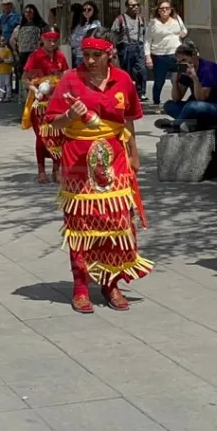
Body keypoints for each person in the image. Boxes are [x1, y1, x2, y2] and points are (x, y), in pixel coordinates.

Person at [45, 37, 150, 313]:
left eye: (96, 55)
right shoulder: (70, 79)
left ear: (110, 53)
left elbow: (127, 119)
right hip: (78, 158)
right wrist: (70, 114)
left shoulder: (124, 80)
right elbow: (53, 120)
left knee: (116, 221)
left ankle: (110, 282)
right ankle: (80, 288)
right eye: (86, 54)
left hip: (114, 156)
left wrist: (134, 154)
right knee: (81, 223)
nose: (90, 61)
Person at [20, 30, 69, 184]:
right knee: (42, 137)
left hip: (57, 101)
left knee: (59, 135)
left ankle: (56, 170)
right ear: (42, 39)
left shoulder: (60, 56)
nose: (52, 43)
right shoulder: (35, 56)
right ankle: (41, 171)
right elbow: (25, 79)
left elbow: (65, 74)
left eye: (55, 40)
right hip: (40, 103)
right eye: (49, 40)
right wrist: (35, 90)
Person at [156, 41, 217, 132]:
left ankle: (176, 124)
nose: (182, 64)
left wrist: (195, 78)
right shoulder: (187, 69)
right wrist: (175, 80)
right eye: (179, 62)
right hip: (199, 109)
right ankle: (189, 124)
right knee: (169, 105)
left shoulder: (208, 68)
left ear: (194, 55)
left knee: (192, 106)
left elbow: (201, 98)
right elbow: (177, 98)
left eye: (184, 60)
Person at [144, 0, 187, 106]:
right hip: (159, 57)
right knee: (159, 81)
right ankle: (156, 102)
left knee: (179, 80)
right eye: (162, 9)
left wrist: (182, 34)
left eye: (167, 8)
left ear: (170, 9)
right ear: (158, 11)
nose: (164, 11)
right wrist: (148, 57)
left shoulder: (177, 18)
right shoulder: (153, 22)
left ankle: (178, 101)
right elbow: (147, 40)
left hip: (177, 56)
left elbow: (185, 30)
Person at [110, 0, 147, 98]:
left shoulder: (141, 19)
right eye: (132, 5)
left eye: (137, 5)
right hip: (125, 48)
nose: (135, 7)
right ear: (127, 6)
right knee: (126, 71)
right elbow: (113, 34)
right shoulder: (120, 19)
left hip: (139, 47)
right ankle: (127, 92)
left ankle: (141, 93)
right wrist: (113, 48)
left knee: (141, 70)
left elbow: (144, 34)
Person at [11, 4, 48, 94]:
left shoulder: (41, 26)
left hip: (36, 54)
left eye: (30, 12)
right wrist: (16, 53)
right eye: (26, 12)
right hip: (24, 55)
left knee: (37, 76)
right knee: (26, 77)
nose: (27, 14)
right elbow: (12, 41)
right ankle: (29, 94)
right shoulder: (20, 27)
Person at [68, 1, 102, 67]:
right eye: (84, 9)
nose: (86, 11)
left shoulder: (96, 24)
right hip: (79, 56)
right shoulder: (79, 26)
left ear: (94, 11)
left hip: (90, 56)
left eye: (89, 9)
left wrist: (80, 41)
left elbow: (91, 41)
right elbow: (72, 42)